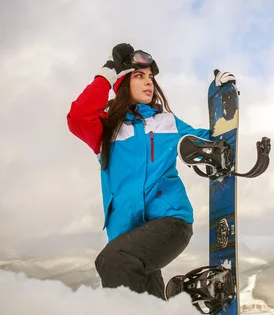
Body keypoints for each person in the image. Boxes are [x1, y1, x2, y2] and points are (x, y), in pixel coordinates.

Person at [66, 43, 236, 299]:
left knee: (114, 260)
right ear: (122, 83)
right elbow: (78, 117)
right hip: (129, 237)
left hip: (171, 221)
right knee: (145, 300)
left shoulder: (165, 122)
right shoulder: (107, 128)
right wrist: (107, 73)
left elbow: (208, 140)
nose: (149, 83)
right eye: (139, 76)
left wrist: (224, 99)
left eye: (151, 78)